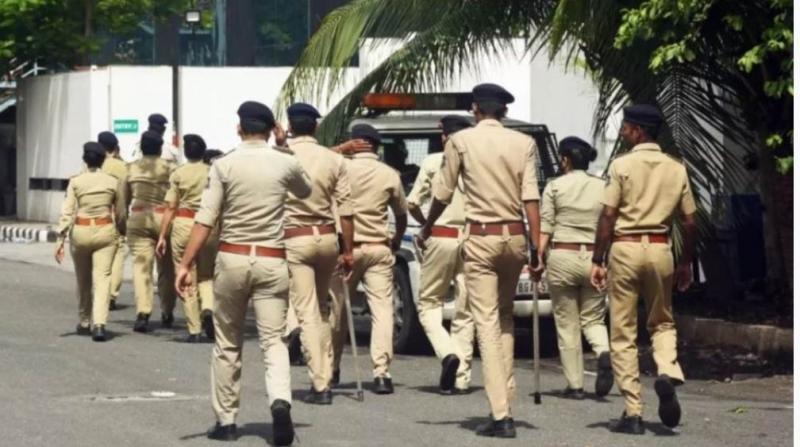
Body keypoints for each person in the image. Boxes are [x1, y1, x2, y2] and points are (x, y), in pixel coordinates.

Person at [175, 101, 311, 445]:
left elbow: (206, 218)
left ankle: (226, 421)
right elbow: (305, 190)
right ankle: (280, 402)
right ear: (270, 129)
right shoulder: (285, 162)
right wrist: (284, 145)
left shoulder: (224, 165)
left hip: (233, 259)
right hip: (272, 260)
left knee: (227, 342)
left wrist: (186, 263)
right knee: (274, 341)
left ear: (239, 128)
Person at [418, 83, 540, 438]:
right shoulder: (524, 143)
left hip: (481, 237)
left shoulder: (460, 141)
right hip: (515, 236)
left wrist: (428, 225)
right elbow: (531, 198)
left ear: (475, 109)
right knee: (504, 318)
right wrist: (537, 247)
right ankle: (505, 400)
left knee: (485, 321)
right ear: (504, 111)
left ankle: (501, 415)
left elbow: (443, 192)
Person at [590, 104, 697, 434]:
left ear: (638, 131)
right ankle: (666, 371)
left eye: (626, 127)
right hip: (661, 249)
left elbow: (608, 215)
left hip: (625, 248)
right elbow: (689, 221)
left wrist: (597, 259)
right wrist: (685, 262)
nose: (623, 133)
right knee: (662, 320)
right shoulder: (676, 168)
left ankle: (633, 411)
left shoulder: (621, 165)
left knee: (623, 331)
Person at [280, 102, 354, 405]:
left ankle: (320, 383)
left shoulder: (281, 156)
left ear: (289, 126)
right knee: (322, 309)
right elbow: (346, 210)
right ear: (316, 126)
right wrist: (348, 250)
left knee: (307, 311)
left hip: (294, 238)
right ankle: (326, 369)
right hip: (326, 238)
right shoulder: (334, 159)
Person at [329, 123, 408, 395]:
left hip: (346, 249)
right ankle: (382, 372)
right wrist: (397, 238)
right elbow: (401, 214)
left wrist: (340, 149)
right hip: (378, 248)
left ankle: (331, 368)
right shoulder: (389, 174)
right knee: (382, 311)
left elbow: (313, 158)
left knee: (339, 310)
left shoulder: (340, 167)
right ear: (376, 146)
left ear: (354, 143)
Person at [537, 136, 612, 399]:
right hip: (594, 257)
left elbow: (546, 227)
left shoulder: (554, 186)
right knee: (593, 318)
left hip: (562, 256)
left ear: (565, 160)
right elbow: (609, 223)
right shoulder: (603, 186)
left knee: (567, 324)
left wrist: (538, 258)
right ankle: (603, 351)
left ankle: (575, 385)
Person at [408, 115, 475, 394]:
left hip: (441, 236)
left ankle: (447, 353)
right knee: (466, 310)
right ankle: (461, 378)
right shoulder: (478, 163)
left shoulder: (433, 161)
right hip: (472, 239)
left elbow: (412, 203)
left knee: (428, 303)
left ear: (444, 136)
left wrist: (425, 224)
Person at [54, 142, 126, 342]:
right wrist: (122, 230)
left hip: (81, 232)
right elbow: (120, 212)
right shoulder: (112, 181)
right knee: (102, 279)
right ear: (103, 160)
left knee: (83, 279)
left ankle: (85, 321)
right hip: (105, 231)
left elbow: (67, 211)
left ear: (84, 160)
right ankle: (100, 324)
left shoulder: (76, 182)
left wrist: (60, 238)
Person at [156, 134, 215, 342]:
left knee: (186, 272)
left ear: (186, 152)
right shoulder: (212, 172)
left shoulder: (178, 174)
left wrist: (162, 235)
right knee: (207, 274)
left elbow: (171, 207)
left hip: (184, 223)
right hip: (208, 225)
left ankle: (194, 328)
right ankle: (208, 308)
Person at [125, 130, 177, 333]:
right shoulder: (171, 168)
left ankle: (143, 312)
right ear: (160, 148)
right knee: (167, 268)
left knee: (141, 267)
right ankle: (167, 311)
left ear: (141, 148)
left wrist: (122, 222)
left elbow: (123, 200)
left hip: (139, 217)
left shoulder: (131, 168)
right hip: (165, 218)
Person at [98, 131, 128, 311]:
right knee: (117, 254)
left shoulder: (94, 164)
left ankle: (99, 292)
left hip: (96, 217)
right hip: (115, 216)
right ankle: (111, 295)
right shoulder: (123, 167)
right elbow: (125, 197)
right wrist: (123, 223)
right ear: (115, 148)